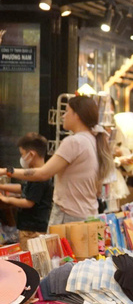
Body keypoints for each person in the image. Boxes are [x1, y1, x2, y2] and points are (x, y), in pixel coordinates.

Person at [0, 96, 114, 224]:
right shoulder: (94, 141)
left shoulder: (74, 142)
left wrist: (6, 171)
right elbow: (98, 190)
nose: (63, 116)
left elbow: (43, 173)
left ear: (77, 115)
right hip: (89, 215)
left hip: (69, 216)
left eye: (66, 111)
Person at [0, 133, 53, 249]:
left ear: (31, 154)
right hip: (30, 228)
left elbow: (28, 202)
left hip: (33, 231)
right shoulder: (35, 174)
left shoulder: (40, 177)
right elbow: (23, 188)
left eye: (22, 154)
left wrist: (6, 199)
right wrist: (2, 187)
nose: (22, 158)